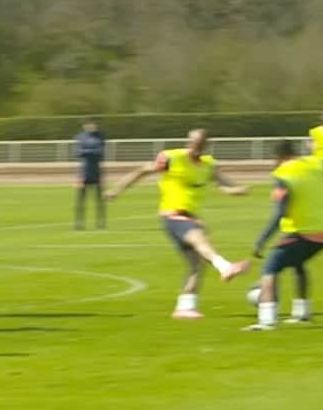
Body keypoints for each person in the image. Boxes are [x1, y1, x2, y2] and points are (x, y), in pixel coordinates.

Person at [105, 129, 251, 319]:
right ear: (189, 143)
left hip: (190, 216)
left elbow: (223, 183)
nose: (196, 150)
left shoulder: (208, 165)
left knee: (196, 265)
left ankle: (185, 308)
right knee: (199, 239)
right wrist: (117, 190)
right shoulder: (171, 158)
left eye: (201, 147)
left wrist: (237, 189)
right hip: (173, 216)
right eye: (194, 145)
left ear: (206, 147)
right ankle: (224, 267)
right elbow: (142, 171)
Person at [244, 140, 323, 331]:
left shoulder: (283, 173)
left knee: (270, 268)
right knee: (297, 263)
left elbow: (280, 212)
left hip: (306, 232)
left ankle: (266, 321)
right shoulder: (315, 162)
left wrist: (262, 239)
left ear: (277, 157)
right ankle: (302, 313)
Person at [74, 118, 106, 230]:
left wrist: (88, 151)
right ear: (85, 126)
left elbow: (100, 153)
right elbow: (78, 153)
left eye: (93, 125)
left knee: (99, 200)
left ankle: (101, 223)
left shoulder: (101, 137)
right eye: (89, 125)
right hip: (83, 172)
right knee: (80, 200)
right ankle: (79, 223)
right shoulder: (80, 137)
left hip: (97, 172)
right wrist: (91, 151)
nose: (91, 127)